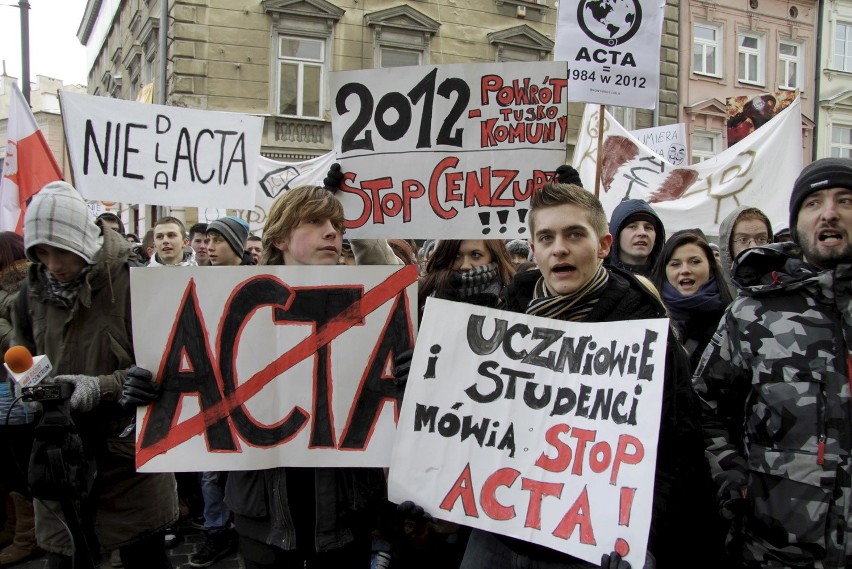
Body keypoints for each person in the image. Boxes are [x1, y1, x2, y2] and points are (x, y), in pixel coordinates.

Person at [468, 182, 720, 569]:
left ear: (603, 245)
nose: (560, 248)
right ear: (533, 250)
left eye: (574, 234)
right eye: (546, 237)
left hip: (589, 544)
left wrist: (646, 540)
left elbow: (677, 444)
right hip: (500, 532)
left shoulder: (645, 325)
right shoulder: (507, 315)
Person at [224, 184, 399, 569]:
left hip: (344, 511)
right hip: (264, 513)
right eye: (316, 221)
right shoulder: (227, 303)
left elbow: (395, 285)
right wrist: (155, 387)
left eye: (337, 223)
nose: (333, 231)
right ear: (280, 237)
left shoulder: (366, 302)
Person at [693, 157, 852, 568]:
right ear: (798, 220)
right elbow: (701, 408)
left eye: (845, 200)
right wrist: (732, 480)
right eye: (813, 203)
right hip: (776, 552)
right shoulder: (754, 316)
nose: (830, 212)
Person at [12, 181, 177, 569]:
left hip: (129, 455)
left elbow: (164, 366)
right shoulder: (29, 293)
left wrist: (99, 388)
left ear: (82, 242)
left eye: (61, 251)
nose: (53, 264)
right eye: (42, 252)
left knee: (145, 556)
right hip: (60, 454)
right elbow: (21, 355)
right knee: (65, 556)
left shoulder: (134, 281)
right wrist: (34, 388)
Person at [0, 232, 41, 566]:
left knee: (20, 465)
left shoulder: (18, 290)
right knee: (10, 466)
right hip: (9, 391)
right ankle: (16, 526)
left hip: (15, 395)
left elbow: (19, 347)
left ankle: (28, 535)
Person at [652, 231, 733, 372]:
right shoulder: (649, 314)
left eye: (695, 262)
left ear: (711, 268)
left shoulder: (731, 318)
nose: (685, 270)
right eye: (675, 264)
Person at [418, 239, 515, 316]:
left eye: (476, 255)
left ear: (493, 257)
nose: (465, 265)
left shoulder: (512, 301)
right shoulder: (423, 297)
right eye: (456, 256)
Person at [717, 206, 772, 296]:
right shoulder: (715, 298)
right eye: (743, 240)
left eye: (761, 239)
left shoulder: (787, 287)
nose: (753, 246)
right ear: (728, 246)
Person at [605, 199, 665, 277]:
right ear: (616, 235)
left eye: (648, 227)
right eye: (632, 227)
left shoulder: (670, 279)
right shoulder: (597, 279)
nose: (642, 233)